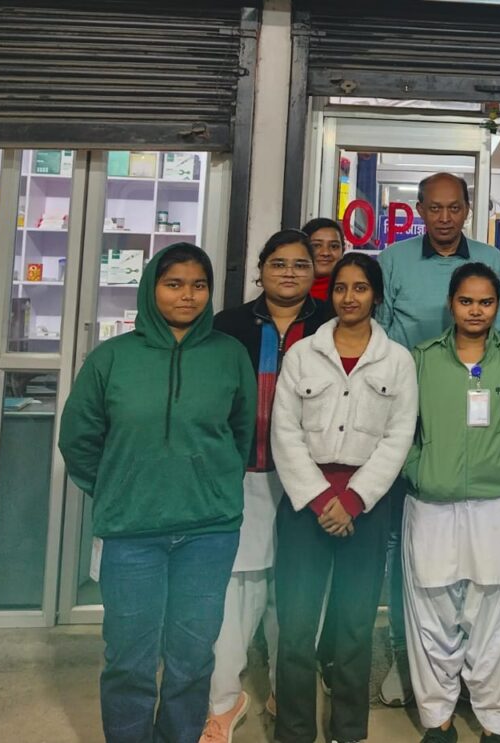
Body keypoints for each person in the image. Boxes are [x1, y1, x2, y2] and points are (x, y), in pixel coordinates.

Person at [59, 243, 256, 743]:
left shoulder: (229, 355)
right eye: (174, 284)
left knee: (192, 658)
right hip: (132, 533)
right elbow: (78, 439)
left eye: (198, 285)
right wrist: (117, 487)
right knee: (129, 660)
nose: (187, 295)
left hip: (208, 533)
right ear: (151, 288)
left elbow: (241, 433)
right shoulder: (111, 359)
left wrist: (211, 484)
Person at [375, 171, 500, 706]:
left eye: (454, 207)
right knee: (407, 550)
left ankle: (470, 673)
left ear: (467, 209)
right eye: (434, 208)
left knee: (476, 566)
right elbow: (379, 334)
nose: (444, 218)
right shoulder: (393, 261)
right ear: (418, 209)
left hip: (474, 420)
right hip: (408, 415)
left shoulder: (491, 259)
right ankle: (406, 655)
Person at [270, 252, 418, 743]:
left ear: (376, 296)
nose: (348, 297)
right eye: (340, 288)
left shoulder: (397, 360)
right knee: (296, 630)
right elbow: (284, 432)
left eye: (360, 288)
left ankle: (348, 731)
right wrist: (319, 500)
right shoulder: (301, 355)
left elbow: (398, 437)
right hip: (304, 508)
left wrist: (353, 500)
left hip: (365, 510)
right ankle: (294, 732)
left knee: (354, 629)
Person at [403, 262, 500, 743]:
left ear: (498, 306)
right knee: (432, 616)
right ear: (451, 304)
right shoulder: (422, 359)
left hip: (496, 506)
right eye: (466, 301)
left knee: (497, 620)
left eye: (486, 302)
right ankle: (438, 721)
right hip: (431, 505)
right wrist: (419, 470)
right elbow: (402, 430)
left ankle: (495, 723)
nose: (475, 311)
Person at [200, 230, 331, 742]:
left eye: (300, 264)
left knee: (297, 590)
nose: (289, 273)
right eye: (279, 263)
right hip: (244, 471)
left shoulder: (329, 323)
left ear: (313, 272)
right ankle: (224, 699)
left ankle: (285, 688)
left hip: (312, 479)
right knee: (238, 589)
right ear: (260, 270)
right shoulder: (228, 325)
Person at [302, 217, 345, 301]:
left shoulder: (354, 292)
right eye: (316, 246)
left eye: (334, 246)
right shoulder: (287, 289)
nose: (325, 253)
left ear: (343, 250)